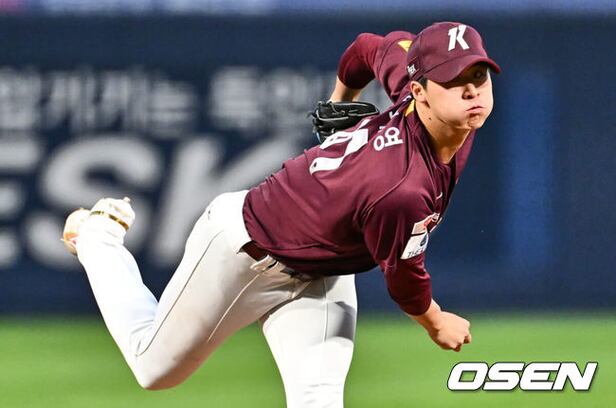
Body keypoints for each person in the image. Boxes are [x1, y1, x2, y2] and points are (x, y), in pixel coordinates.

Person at [62, 21, 500, 407]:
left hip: (322, 272)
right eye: (453, 80)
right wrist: (435, 321)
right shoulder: (399, 187)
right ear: (420, 91)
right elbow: (404, 279)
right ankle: (98, 238)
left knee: (319, 401)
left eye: (477, 75)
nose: (471, 91)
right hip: (244, 252)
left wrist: (339, 101)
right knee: (154, 371)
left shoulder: (436, 105)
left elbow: (367, 47)